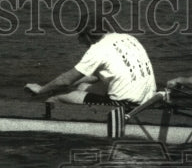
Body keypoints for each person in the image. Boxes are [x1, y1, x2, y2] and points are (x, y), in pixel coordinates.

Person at [27, 20, 157, 106]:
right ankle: (80, 115)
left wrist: (41, 90)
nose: (79, 41)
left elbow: (65, 80)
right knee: (82, 87)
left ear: (87, 36)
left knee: (56, 96)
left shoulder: (97, 49)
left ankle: (50, 124)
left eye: (80, 36)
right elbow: (96, 75)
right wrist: (61, 84)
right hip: (149, 100)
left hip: (124, 106)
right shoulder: (128, 38)